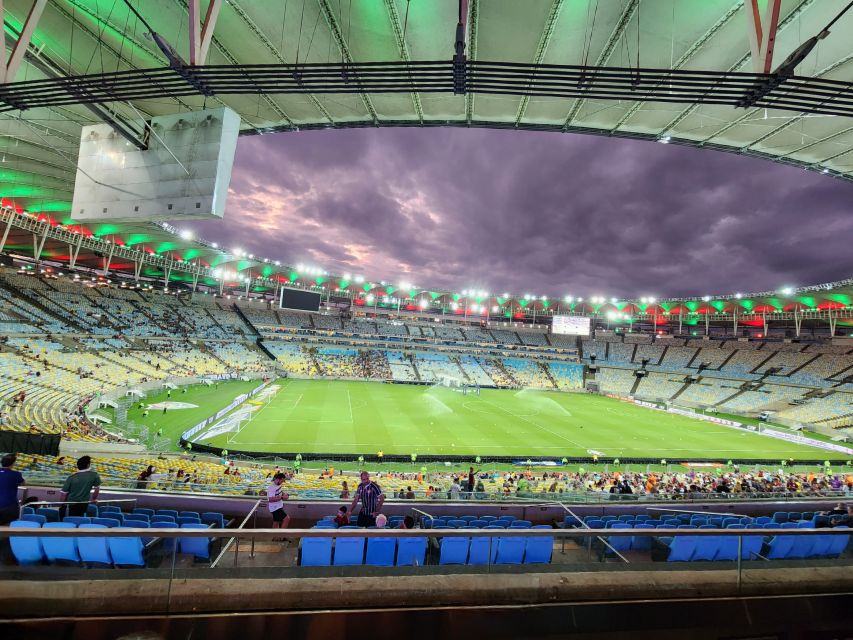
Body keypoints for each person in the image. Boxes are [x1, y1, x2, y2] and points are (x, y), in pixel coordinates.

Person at [0, 453, 25, 526]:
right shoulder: (16, 474)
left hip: (7, 505)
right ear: (13, 463)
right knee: (7, 527)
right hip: (9, 506)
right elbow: (23, 483)